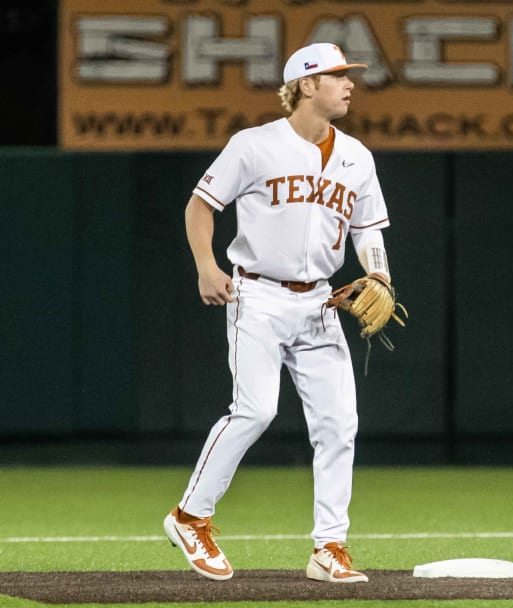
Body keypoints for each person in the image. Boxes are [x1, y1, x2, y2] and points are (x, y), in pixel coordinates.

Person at [163, 43, 392, 583]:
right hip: (258, 295)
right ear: (307, 85)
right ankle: (190, 515)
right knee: (255, 409)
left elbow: (368, 228)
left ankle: (328, 548)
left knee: (340, 425)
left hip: (320, 300)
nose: (349, 84)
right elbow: (201, 204)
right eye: (338, 76)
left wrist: (379, 274)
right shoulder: (256, 145)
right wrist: (205, 264)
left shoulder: (358, 156)